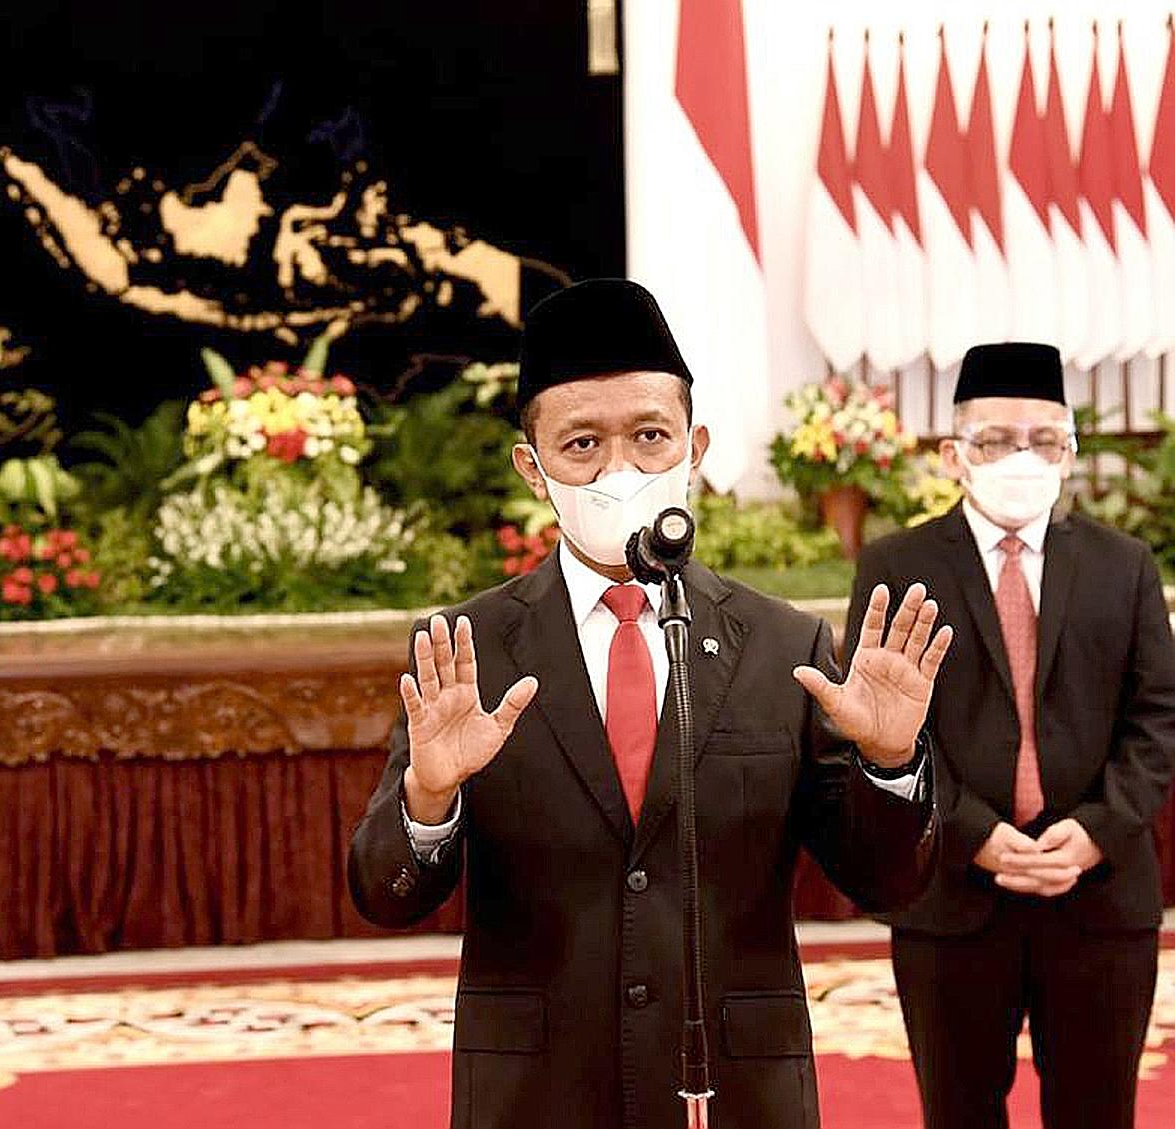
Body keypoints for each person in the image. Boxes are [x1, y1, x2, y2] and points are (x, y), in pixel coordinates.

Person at [349, 279, 950, 1129]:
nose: (620, 469)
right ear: (534, 469)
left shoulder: (786, 649)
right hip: (536, 1096)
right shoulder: (464, 653)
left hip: (737, 1092)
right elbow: (386, 893)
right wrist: (429, 799)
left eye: (650, 435)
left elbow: (888, 880)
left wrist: (890, 764)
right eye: (582, 444)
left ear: (694, 446)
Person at [848, 342, 1175, 1129]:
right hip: (952, 898)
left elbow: (1158, 716)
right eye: (996, 440)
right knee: (959, 1113)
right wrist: (973, 833)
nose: (1020, 458)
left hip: (1096, 895)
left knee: (1099, 1113)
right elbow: (889, 729)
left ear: (1069, 449)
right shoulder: (898, 564)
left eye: (1042, 440)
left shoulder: (1122, 565)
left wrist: (1097, 830)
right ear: (955, 452)